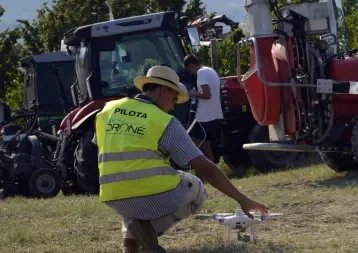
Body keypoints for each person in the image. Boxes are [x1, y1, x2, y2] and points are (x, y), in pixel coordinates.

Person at [94, 65, 268, 253]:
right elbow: (204, 167)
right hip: (145, 191)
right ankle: (149, 233)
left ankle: (132, 246)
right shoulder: (162, 121)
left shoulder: (108, 110)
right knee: (196, 188)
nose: (173, 105)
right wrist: (241, 199)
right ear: (162, 91)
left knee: (135, 212)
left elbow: (103, 145)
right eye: (174, 98)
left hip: (111, 193)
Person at [182, 54, 224, 163]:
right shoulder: (210, 70)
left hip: (205, 117)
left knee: (199, 145)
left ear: (191, 65)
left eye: (189, 69)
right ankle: (211, 171)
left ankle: (209, 171)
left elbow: (207, 94)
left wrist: (192, 93)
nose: (191, 73)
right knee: (205, 145)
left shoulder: (201, 73)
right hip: (215, 114)